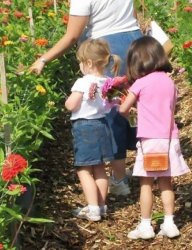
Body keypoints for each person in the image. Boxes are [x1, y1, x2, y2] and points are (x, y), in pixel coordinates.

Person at [29, 0, 143, 196]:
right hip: (135, 41)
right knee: (135, 105)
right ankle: (149, 166)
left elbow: (72, 36)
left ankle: (118, 179)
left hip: (109, 46)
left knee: (112, 114)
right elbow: (133, 14)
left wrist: (43, 59)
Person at [119, 36, 190, 239]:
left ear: (136, 61)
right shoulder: (169, 82)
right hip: (170, 138)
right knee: (166, 182)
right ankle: (169, 223)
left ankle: (146, 225)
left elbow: (124, 109)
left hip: (150, 140)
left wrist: (120, 104)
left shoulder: (140, 83)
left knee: (147, 183)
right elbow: (167, 108)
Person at [65, 38, 120, 221]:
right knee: (99, 168)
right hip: (102, 125)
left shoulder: (83, 82)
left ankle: (93, 208)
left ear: (88, 63)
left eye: (81, 62)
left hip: (84, 127)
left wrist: (67, 102)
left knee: (83, 169)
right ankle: (102, 205)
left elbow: (72, 105)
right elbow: (110, 104)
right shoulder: (107, 81)